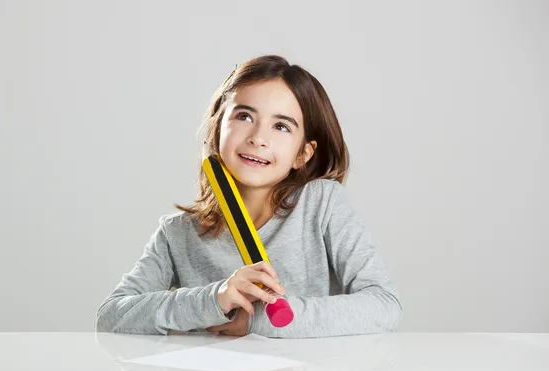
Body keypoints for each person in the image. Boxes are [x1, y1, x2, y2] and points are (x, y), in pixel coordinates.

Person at [95, 55, 403, 338]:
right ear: (217, 129)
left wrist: (257, 321)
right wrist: (213, 299)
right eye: (244, 116)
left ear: (302, 153)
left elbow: (384, 306)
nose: (258, 137)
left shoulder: (322, 204)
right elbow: (111, 317)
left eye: (281, 126)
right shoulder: (177, 234)